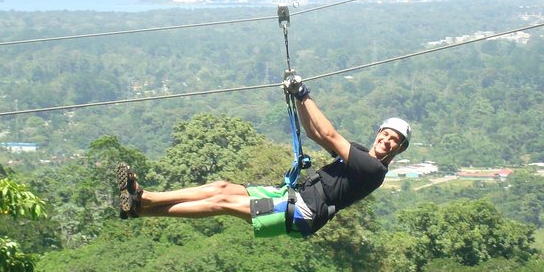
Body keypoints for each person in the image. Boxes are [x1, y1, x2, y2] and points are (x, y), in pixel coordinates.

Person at [117, 74, 411, 238]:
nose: (386, 140)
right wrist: (297, 99)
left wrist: (304, 93)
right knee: (221, 187)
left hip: (301, 213)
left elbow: (331, 134)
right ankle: (142, 203)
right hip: (294, 194)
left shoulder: (374, 170)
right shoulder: (359, 152)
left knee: (221, 203)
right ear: (379, 132)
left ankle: (144, 202)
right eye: (385, 133)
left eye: (393, 140)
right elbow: (315, 134)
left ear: (398, 150)